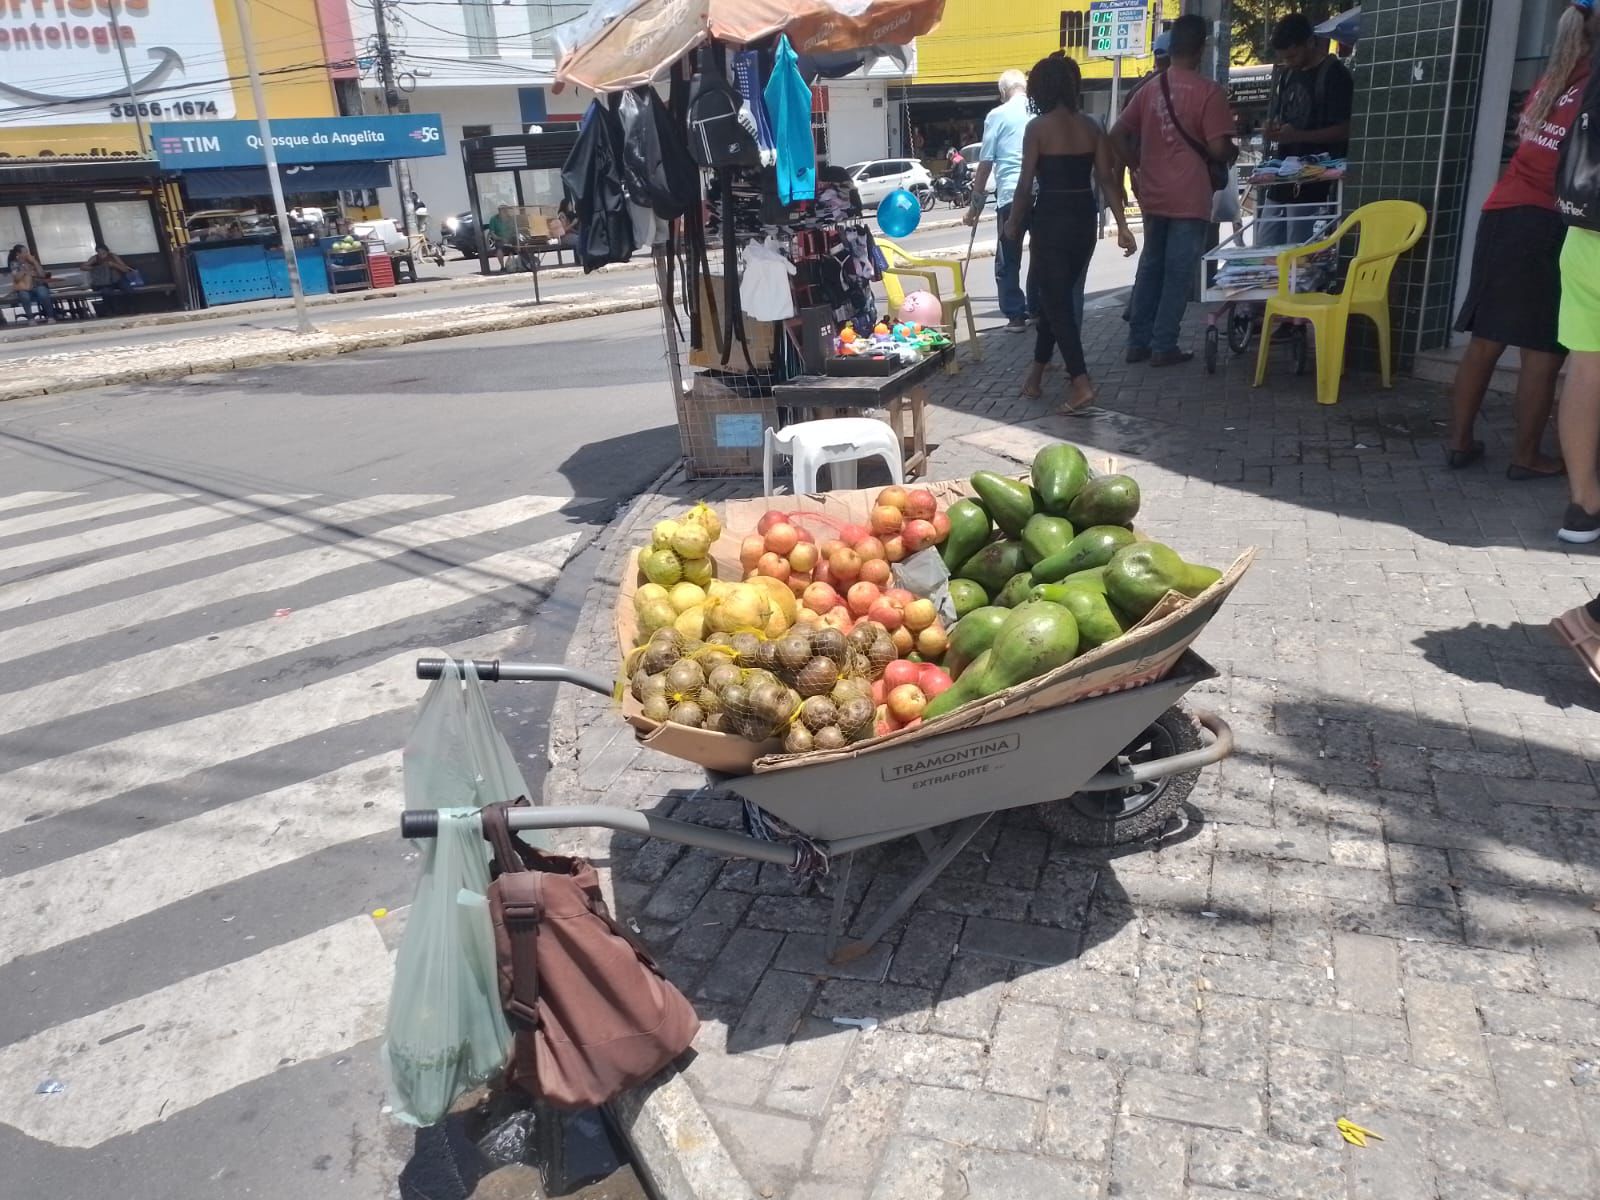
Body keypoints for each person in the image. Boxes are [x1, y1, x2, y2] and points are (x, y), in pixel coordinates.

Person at [1447, 3, 1591, 479]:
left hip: (1502, 213)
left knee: (1485, 341)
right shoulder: (1593, 84)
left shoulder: (1550, 81)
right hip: (1552, 220)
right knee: (1543, 349)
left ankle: (1459, 443)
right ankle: (1526, 456)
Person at [1005, 54, 1137, 414]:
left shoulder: (1038, 128)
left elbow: (1024, 183)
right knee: (1055, 298)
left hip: (1051, 216)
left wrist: (1014, 223)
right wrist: (1122, 227)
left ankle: (1080, 383)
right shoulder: (1092, 126)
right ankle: (1035, 376)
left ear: (1041, 89)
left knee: (1057, 301)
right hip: (1084, 219)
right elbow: (1107, 179)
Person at [1113, 14, 1234, 367]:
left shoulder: (1149, 89)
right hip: (1190, 195)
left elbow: (1116, 134)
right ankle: (1164, 345)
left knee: (1151, 267)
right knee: (1178, 272)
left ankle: (1138, 342)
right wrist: (1230, 149)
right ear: (1200, 48)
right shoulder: (1209, 92)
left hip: (1154, 193)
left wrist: (1136, 164)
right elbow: (1216, 149)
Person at [1261, 14, 1354, 244]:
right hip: (1282, 177)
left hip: (1315, 183)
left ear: (1310, 42)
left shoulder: (1335, 75)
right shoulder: (1288, 74)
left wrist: (1298, 135)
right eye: (1284, 57)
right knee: (1265, 246)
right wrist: (1272, 129)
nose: (1289, 61)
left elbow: (1344, 129)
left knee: (1298, 254)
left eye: (1293, 55)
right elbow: (1285, 116)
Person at [965, 69, 1034, 332]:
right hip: (1040, 190)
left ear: (1002, 92)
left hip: (1010, 194)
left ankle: (1016, 315)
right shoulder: (1038, 110)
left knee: (1008, 256)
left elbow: (985, 165)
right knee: (1040, 254)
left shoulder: (997, 115)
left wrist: (975, 205)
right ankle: (1038, 308)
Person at [6, 244, 56, 322]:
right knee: (24, 295)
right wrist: (25, 270)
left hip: (37, 286)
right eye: (25, 252)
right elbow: (16, 278)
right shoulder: (14, 264)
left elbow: (42, 275)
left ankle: (50, 316)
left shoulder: (32, 261)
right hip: (24, 288)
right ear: (18, 254)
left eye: (27, 252)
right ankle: (31, 318)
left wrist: (35, 262)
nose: (27, 254)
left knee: (43, 292)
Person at [82, 244, 137, 314]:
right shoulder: (95, 258)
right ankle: (111, 310)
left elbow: (125, 269)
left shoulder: (113, 256)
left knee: (128, 289)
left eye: (103, 252)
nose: (101, 254)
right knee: (106, 292)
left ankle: (131, 308)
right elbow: (83, 267)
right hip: (105, 281)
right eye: (99, 252)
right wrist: (97, 268)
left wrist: (114, 265)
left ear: (107, 251)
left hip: (118, 279)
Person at [486, 204, 519, 271]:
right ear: (499, 211)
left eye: (506, 210)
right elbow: (492, 233)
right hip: (500, 239)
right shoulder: (494, 219)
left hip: (511, 238)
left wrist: (512, 237)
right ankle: (502, 266)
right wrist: (500, 238)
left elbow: (515, 230)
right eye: (503, 210)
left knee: (518, 246)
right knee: (499, 249)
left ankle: (517, 264)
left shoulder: (511, 218)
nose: (506, 211)